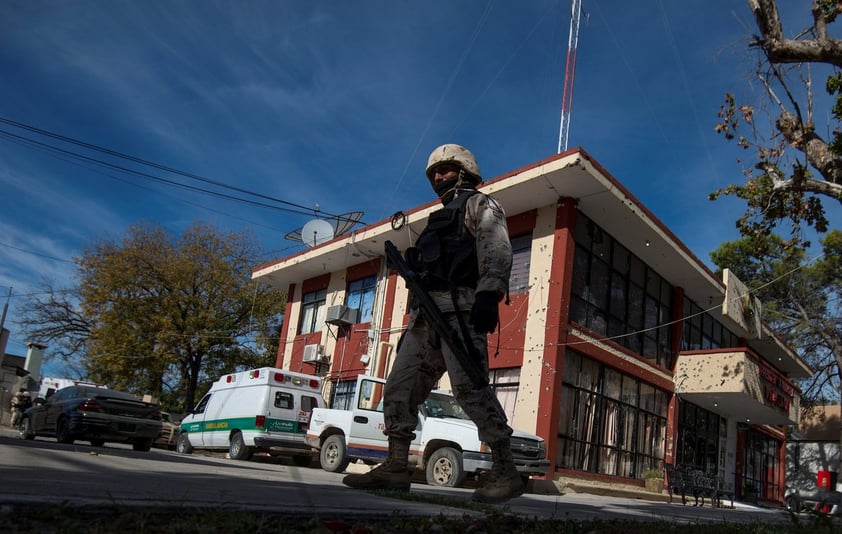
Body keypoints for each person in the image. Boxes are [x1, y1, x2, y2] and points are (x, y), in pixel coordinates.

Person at [343, 144, 521, 503]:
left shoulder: (479, 204)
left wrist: (489, 293)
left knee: (469, 387)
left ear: (466, 169)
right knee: (399, 387)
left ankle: (506, 468)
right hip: (425, 316)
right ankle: (395, 466)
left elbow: (496, 246)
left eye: (446, 169)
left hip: (462, 310)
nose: (439, 177)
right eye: (434, 173)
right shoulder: (436, 221)